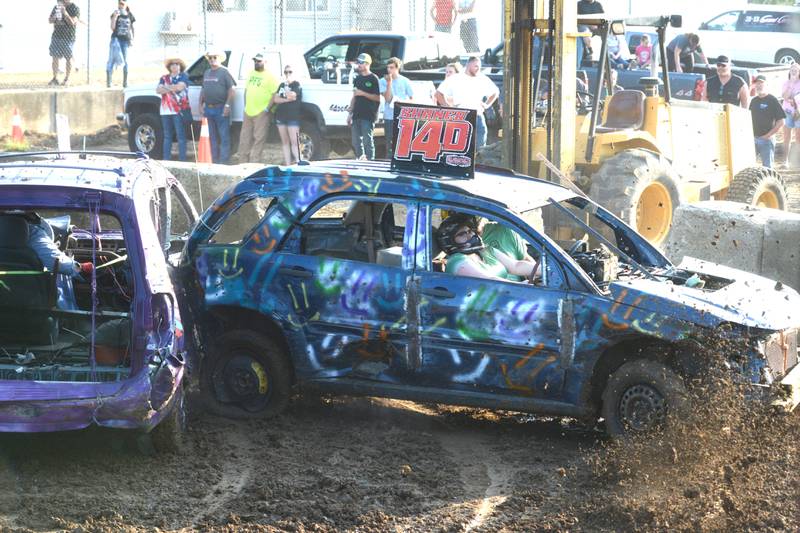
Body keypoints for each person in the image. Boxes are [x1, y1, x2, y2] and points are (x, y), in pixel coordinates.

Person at [437, 213, 538, 283]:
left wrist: (545, 270)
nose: (470, 235)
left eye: (469, 231)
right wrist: (521, 286)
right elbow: (489, 280)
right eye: (462, 234)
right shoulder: (456, 260)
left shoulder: (486, 250)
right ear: (449, 241)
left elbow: (516, 266)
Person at [27, 214, 92, 310]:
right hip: (33, 305)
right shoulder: (33, 232)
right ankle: (71, 320)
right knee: (60, 277)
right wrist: (79, 266)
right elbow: (57, 261)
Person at [435, 56, 499, 148]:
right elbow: (438, 93)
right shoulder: (456, 78)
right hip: (461, 116)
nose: (478, 69)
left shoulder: (482, 78)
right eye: (476, 66)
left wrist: (487, 105)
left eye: (479, 67)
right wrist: (448, 107)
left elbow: (495, 92)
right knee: (459, 148)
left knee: (480, 149)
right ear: (468, 65)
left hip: (478, 116)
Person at [237, 52, 280, 163]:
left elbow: (274, 94)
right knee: (244, 138)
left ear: (265, 62)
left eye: (259, 61)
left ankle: (254, 163)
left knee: (258, 139)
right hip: (248, 111)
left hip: (261, 112)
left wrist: (266, 109)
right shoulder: (251, 73)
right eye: (255, 61)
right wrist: (246, 106)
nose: (256, 63)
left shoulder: (270, 77)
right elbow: (247, 90)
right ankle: (242, 162)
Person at [199, 50, 236, 164]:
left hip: (221, 108)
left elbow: (232, 90)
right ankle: (213, 160)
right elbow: (203, 89)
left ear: (219, 58)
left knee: (224, 136)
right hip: (208, 109)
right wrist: (200, 104)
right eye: (210, 58)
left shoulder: (225, 72)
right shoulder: (207, 72)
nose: (212, 59)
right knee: (211, 136)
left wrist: (227, 105)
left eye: (214, 57)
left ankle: (223, 161)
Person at [348, 53, 381, 160]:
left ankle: (370, 161)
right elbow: (354, 96)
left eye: (361, 63)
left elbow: (378, 98)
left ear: (367, 64)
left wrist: (363, 93)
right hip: (356, 114)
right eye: (358, 62)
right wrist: (350, 113)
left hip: (368, 114)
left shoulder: (374, 78)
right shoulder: (357, 78)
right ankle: (360, 159)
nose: (359, 65)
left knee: (367, 139)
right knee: (355, 140)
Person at [379, 57, 414, 158]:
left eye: (392, 67)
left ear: (397, 68)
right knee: (389, 140)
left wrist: (403, 102)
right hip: (389, 115)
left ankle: (401, 159)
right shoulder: (382, 81)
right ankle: (389, 159)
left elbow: (412, 98)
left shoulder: (405, 81)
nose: (389, 70)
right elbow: (387, 98)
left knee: (403, 140)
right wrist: (389, 83)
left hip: (402, 115)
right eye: (388, 67)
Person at [157, 58, 190, 162]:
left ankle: (182, 160)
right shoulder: (163, 77)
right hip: (165, 111)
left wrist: (166, 87)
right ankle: (166, 159)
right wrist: (172, 87)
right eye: (172, 64)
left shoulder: (184, 76)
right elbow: (158, 90)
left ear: (180, 66)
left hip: (178, 110)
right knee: (167, 136)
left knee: (181, 136)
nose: (174, 66)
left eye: (177, 64)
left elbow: (180, 88)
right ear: (169, 67)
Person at [749, 75, 785, 169]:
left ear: (767, 85)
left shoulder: (772, 100)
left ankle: (769, 184)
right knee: (749, 167)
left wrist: (768, 135)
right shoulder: (753, 101)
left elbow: (781, 121)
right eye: (757, 83)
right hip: (753, 139)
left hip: (766, 140)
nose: (759, 85)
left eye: (761, 83)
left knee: (767, 168)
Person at [272, 65, 303, 166]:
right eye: (286, 72)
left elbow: (293, 96)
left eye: (290, 72)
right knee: (285, 142)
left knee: (295, 141)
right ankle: (288, 164)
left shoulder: (296, 84)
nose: (288, 74)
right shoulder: (281, 85)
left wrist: (283, 96)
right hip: (281, 116)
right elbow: (275, 99)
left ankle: (298, 162)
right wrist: (286, 98)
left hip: (293, 117)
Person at [48, 0, 80, 86]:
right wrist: (55, 16)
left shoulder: (74, 8)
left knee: (68, 57)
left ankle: (67, 79)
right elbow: (49, 20)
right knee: (55, 57)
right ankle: (55, 78)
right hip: (56, 36)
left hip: (68, 37)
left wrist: (65, 13)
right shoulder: (56, 7)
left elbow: (73, 22)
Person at [106, 0, 135, 88]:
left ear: (126, 4)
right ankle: (109, 82)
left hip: (125, 41)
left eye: (122, 3)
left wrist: (132, 38)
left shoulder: (130, 15)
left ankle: (125, 82)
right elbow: (112, 27)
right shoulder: (115, 13)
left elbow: (132, 28)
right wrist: (115, 17)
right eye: (119, 3)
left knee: (125, 61)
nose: (121, 5)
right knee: (111, 60)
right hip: (116, 40)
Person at [780, 63, 800, 167]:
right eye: (792, 69)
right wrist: (791, 84)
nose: (794, 71)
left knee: (798, 137)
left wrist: (796, 104)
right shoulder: (786, 83)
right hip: (787, 112)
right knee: (787, 137)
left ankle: (796, 160)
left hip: (799, 113)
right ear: (789, 71)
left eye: (796, 69)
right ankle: (785, 161)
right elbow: (784, 97)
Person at [577, 0, 604, 68]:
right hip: (583, 25)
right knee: (586, 33)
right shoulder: (579, 4)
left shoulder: (598, 5)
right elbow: (575, 18)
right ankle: (590, 51)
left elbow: (603, 18)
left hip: (596, 26)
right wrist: (589, 24)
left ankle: (603, 58)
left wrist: (600, 24)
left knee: (605, 33)